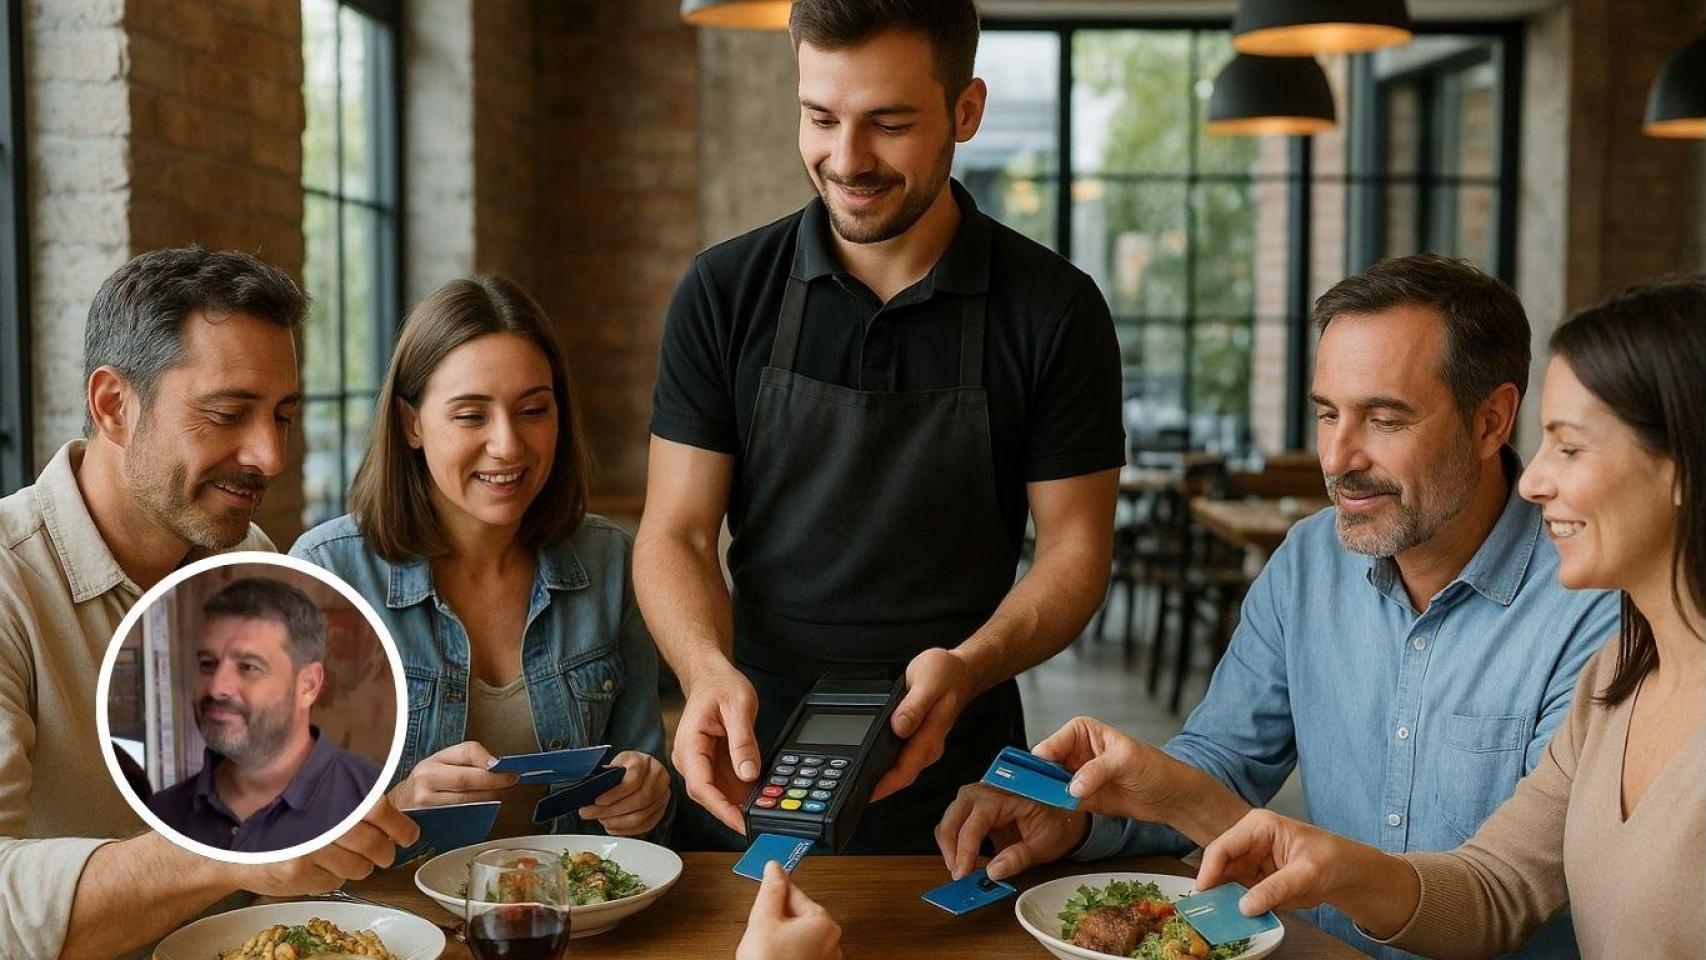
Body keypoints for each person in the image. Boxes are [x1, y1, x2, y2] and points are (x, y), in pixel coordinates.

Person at [936, 254, 1621, 958]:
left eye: (1384, 419)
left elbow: (1508, 886)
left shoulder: (1594, 606)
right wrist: (1079, 822)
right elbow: (1224, 761)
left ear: (1491, 422)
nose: (1338, 456)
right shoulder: (1307, 561)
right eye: (1327, 414)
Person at [636, 0, 1123, 854]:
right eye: (820, 117)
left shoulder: (1055, 310)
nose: (846, 159)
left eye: (889, 124)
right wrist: (705, 671)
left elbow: (1075, 552)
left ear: (965, 111)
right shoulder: (722, 292)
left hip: (964, 781)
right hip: (754, 763)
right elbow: (674, 532)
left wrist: (969, 665)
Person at [1194, 275, 1705, 960]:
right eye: (1327, 414)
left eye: (1570, 447)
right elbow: (1497, 887)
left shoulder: (1599, 634)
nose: (1532, 480)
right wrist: (1335, 868)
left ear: (1685, 467)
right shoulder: (1620, 674)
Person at [0, 246, 417, 960]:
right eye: (228, 414)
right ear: (113, 406)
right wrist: (227, 848)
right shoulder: (11, 582)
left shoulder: (249, 556)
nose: (270, 457)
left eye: (282, 417)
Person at [291, 276, 672, 842]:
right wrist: (395, 806)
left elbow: (648, 797)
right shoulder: (328, 575)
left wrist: (649, 797)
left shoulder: (612, 560)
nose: (509, 445)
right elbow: (281, 826)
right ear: (410, 423)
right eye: (471, 415)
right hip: (386, 923)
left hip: (572, 916)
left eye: (533, 410)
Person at [147, 577, 382, 851]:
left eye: (248, 667)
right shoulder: (162, 813)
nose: (217, 687)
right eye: (207, 664)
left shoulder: (372, 799)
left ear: (308, 685)